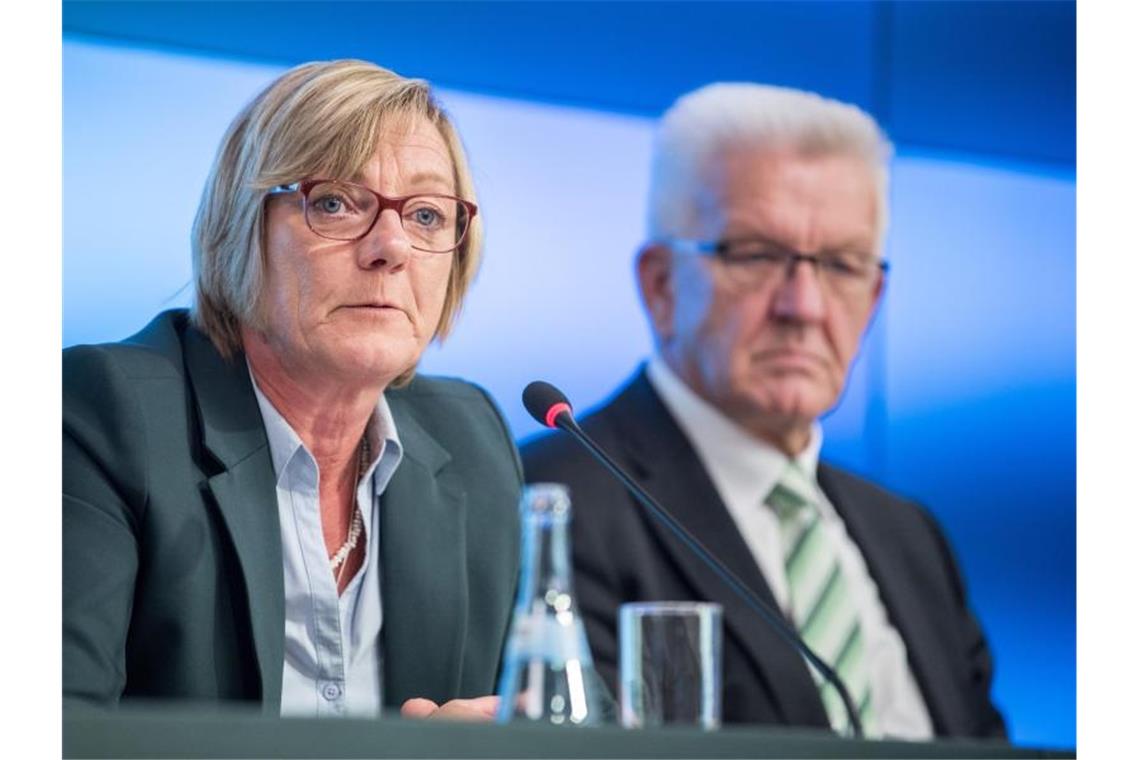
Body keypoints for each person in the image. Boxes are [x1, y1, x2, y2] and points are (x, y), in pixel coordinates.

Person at [521, 83, 1006, 739]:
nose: (804, 306)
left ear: (874, 295)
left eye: (840, 264)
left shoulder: (912, 538)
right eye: (757, 255)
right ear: (661, 285)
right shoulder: (554, 502)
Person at [63, 60, 519, 721]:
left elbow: (567, 707)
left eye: (425, 215)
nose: (391, 245)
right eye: (335, 202)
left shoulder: (472, 438)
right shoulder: (102, 414)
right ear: (241, 229)